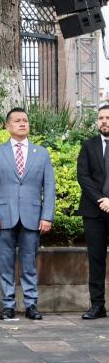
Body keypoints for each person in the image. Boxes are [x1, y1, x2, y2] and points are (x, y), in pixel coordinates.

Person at [0, 107, 55, 321]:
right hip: (3, 217)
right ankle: (8, 305)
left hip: (33, 217)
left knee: (30, 263)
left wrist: (47, 216)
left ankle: (31, 305)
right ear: (7, 126)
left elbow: (49, 186)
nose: (22, 123)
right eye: (17, 121)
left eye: (25, 120)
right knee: (5, 264)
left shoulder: (41, 153)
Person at [77, 104, 109, 319]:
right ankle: (97, 305)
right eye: (100, 118)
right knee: (95, 259)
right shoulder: (88, 145)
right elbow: (83, 177)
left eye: (107, 117)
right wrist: (101, 199)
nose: (104, 121)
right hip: (94, 212)